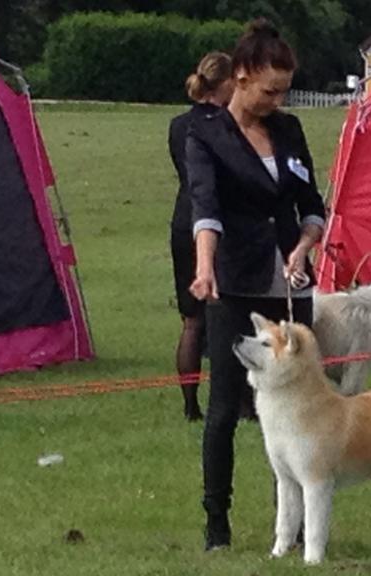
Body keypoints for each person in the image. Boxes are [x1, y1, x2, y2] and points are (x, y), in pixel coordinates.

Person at [187, 19, 325, 551]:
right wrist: (205, 268)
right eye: (269, 90)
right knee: (226, 406)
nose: (277, 100)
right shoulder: (206, 135)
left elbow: (311, 205)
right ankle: (216, 520)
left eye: (284, 91)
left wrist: (305, 244)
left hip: (290, 283)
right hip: (235, 285)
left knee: (300, 407)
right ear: (241, 77)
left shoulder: (289, 131)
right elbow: (207, 209)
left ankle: (290, 528)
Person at [168, 52, 234, 422]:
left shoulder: (179, 125)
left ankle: (190, 404)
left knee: (191, 320)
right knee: (228, 315)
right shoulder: (228, 123)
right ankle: (234, 399)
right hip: (217, 222)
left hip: (182, 220)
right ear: (224, 83)